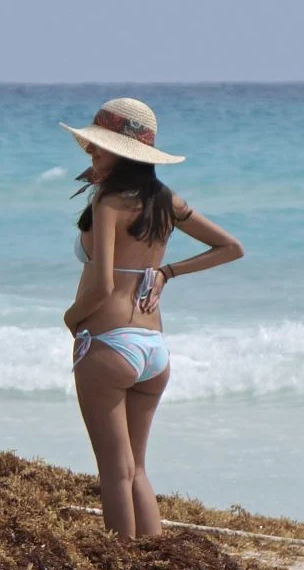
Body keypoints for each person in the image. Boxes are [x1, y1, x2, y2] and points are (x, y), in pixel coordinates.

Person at [62, 98, 244, 538]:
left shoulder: (109, 203)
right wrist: (166, 272)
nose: (90, 151)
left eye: (98, 146)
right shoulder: (165, 200)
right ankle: (157, 562)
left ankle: (124, 568)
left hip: (108, 344)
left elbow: (103, 286)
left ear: (121, 152)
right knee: (137, 469)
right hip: (153, 349)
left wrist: (71, 318)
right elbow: (230, 248)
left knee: (114, 472)